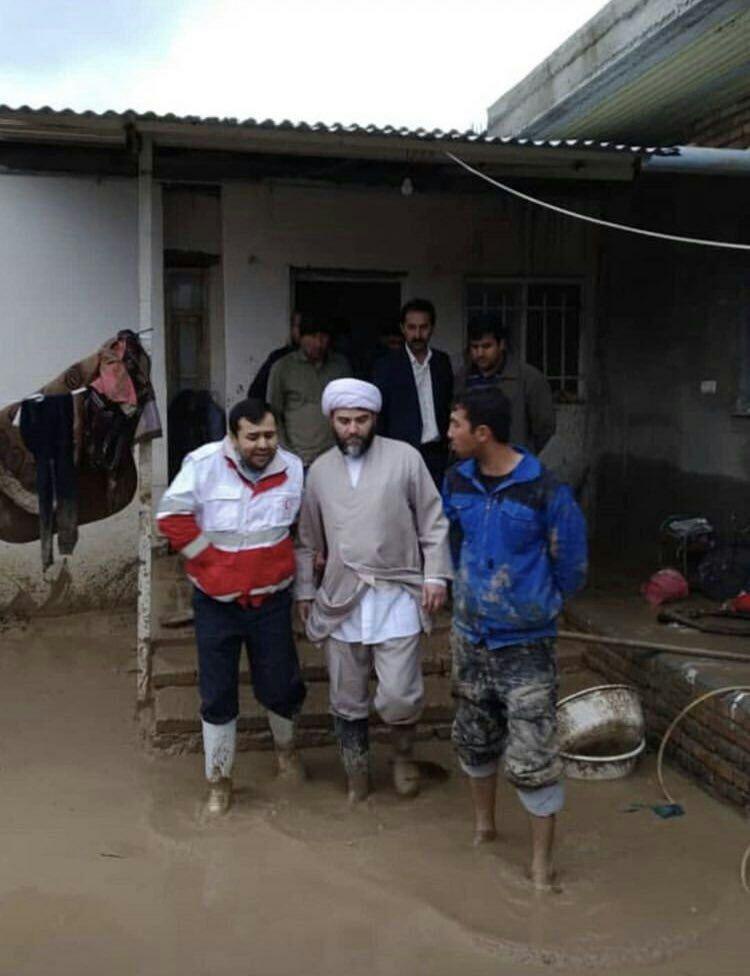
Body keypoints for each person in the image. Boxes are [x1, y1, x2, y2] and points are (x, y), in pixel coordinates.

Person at [442, 386, 587, 889]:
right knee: (474, 736)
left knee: (533, 752)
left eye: (455, 424)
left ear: (483, 433)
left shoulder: (546, 490)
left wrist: (536, 604)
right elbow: (453, 541)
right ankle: (484, 829)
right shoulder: (456, 481)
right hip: (470, 636)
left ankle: (541, 865)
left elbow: (572, 566)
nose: (448, 433)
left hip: (525, 645)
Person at [295, 378, 452, 802]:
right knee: (347, 696)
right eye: (344, 420)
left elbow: (433, 520)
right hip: (340, 597)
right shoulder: (319, 471)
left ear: (374, 419)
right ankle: (356, 775)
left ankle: (403, 755)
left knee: (400, 694)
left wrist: (436, 576)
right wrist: (305, 591)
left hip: (396, 593)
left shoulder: (405, 458)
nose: (353, 429)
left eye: (361, 420)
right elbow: (307, 539)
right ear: (331, 420)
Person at [156, 398, 307, 816]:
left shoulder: (294, 468)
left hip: (271, 601)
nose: (263, 444)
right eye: (253, 436)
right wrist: (210, 562)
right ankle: (219, 781)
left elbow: (301, 528)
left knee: (281, 685)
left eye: (270, 435)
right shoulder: (204, 464)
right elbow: (171, 517)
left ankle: (287, 755)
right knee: (218, 693)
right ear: (233, 438)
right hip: (216, 603)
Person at [372, 298, 454, 486]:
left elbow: (448, 405)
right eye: (411, 327)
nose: (417, 334)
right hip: (401, 455)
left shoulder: (442, 362)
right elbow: (380, 415)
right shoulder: (386, 366)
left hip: (437, 455)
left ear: (432, 328)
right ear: (402, 328)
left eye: (423, 327)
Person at [455, 313, 556, 454]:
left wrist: (521, 455)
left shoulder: (528, 378)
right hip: (471, 461)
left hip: (511, 461)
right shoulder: (462, 377)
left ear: (501, 344)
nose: (480, 353)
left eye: (486, 346)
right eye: (475, 347)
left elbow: (544, 427)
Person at [267, 314, 350, 467]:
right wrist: (288, 454)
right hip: (298, 458)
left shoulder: (340, 366)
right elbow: (274, 414)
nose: (318, 343)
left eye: (323, 337)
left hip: (336, 458)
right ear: (300, 337)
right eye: (312, 336)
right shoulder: (283, 367)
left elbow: (350, 409)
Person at [247, 311, 301, 402]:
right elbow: (255, 393)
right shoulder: (279, 357)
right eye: (299, 326)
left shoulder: (325, 362)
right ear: (292, 328)